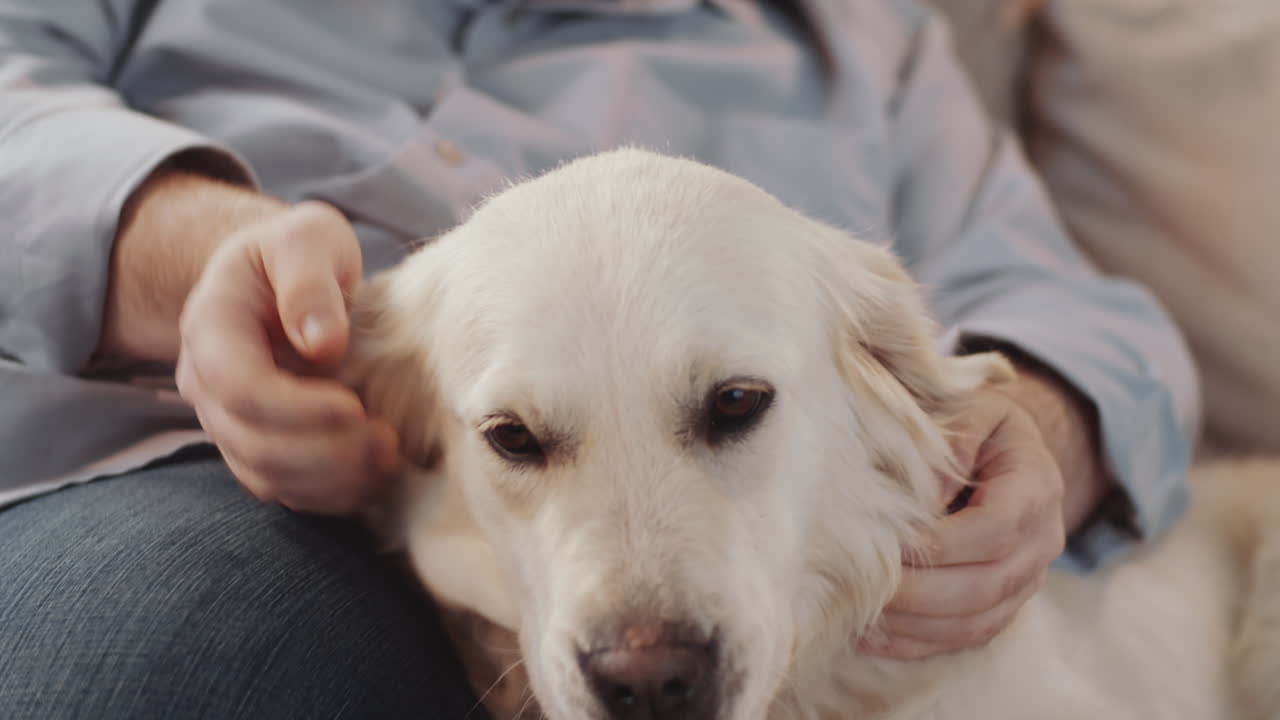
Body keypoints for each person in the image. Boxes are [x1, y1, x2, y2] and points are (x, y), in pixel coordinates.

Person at [0, 0, 1200, 717]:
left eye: (731, 404)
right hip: (172, 476)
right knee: (184, 653)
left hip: (822, 620)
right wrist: (191, 249)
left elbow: (1069, 305)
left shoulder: (861, 37)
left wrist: (1039, 430)